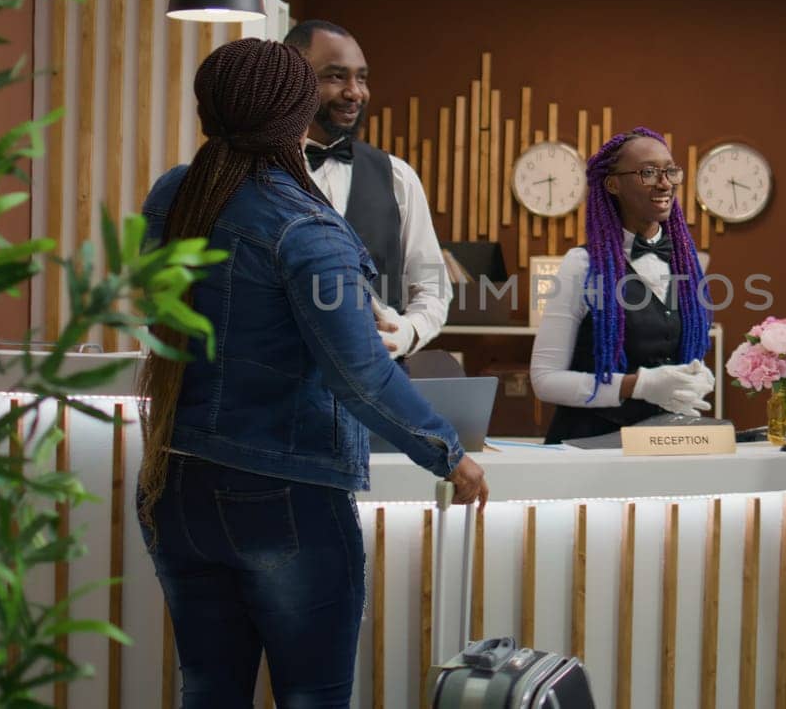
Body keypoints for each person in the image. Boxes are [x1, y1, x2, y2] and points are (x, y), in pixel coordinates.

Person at [135, 38, 488, 708]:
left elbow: (154, 312)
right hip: (287, 492)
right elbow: (359, 376)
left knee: (209, 690)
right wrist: (448, 453)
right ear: (299, 116)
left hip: (175, 480)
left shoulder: (176, 192)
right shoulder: (307, 229)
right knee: (314, 698)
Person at [529, 127, 716, 443]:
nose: (664, 182)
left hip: (662, 445)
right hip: (589, 446)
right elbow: (545, 381)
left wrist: (693, 379)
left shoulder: (687, 264)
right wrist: (637, 385)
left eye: (670, 171)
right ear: (613, 184)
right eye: (648, 172)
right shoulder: (582, 265)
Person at [283, 19, 449, 358]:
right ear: (293, 79)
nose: (355, 92)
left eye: (361, 78)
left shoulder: (398, 176)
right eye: (335, 76)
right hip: (282, 387)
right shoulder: (263, 173)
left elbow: (432, 286)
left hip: (377, 390)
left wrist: (408, 332)